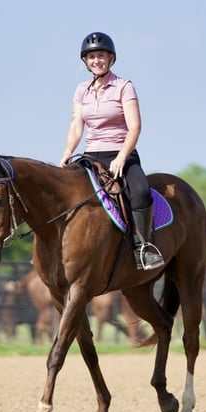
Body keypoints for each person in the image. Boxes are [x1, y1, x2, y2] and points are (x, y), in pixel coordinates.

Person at [59, 32, 164, 271]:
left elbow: (135, 127)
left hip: (120, 153)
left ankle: (143, 247)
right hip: (90, 155)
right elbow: (77, 124)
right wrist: (67, 152)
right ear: (85, 61)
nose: (97, 60)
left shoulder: (123, 86)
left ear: (111, 58)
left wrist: (121, 157)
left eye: (101, 55)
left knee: (140, 191)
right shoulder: (81, 90)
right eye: (92, 56)